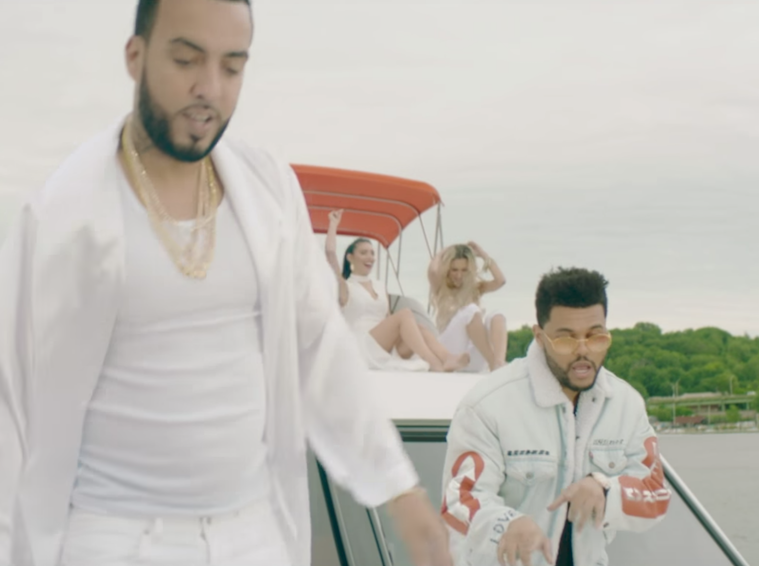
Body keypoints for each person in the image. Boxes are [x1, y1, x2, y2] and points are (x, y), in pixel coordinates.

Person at [0, 2, 454, 565]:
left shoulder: (267, 191)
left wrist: (399, 489)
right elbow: (11, 402)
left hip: (253, 535)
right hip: (113, 539)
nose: (209, 88)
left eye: (232, 67)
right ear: (135, 57)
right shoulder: (64, 215)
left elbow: (321, 351)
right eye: (186, 60)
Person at [440, 267, 671, 566]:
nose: (583, 351)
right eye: (566, 340)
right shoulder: (487, 405)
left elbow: (655, 493)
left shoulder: (626, 405)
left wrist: (605, 490)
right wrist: (506, 525)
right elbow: (458, 500)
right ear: (539, 337)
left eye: (595, 337)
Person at [325, 209, 470, 373]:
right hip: (363, 345)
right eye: (363, 253)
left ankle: (447, 357)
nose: (370, 257)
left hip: (386, 345)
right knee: (405, 313)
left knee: (420, 327)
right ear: (350, 257)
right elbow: (330, 253)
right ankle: (433, 362)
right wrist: (333, 224)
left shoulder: (380, 286)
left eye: (372, 253)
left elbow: (387, 318)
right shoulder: (346, 286)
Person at [428, 242, 508, 372]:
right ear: (447, 269)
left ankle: (499, 364)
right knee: (471, 310)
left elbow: (501, 281)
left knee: (497, 315)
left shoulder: (475, 288)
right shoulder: (440, 286)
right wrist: (446, 251)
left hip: (471, 356)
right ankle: (493, 362)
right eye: (454, 270)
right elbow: (433, 271)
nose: (459, 275)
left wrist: (482, 254)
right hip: (450, 351)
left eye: (464, 270)